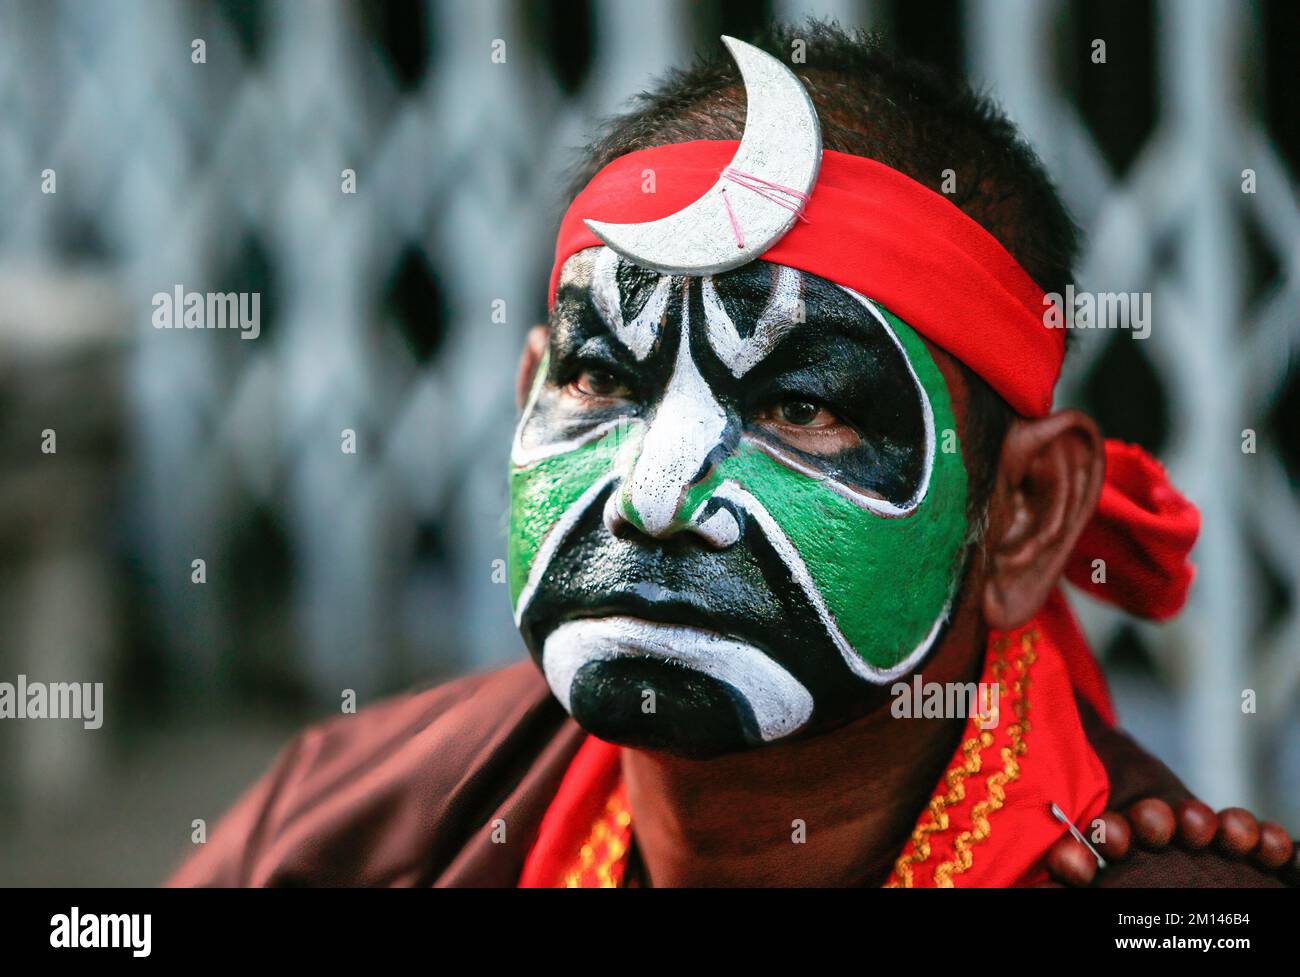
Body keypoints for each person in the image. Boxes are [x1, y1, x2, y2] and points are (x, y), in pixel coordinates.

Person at [167, 23, 1294, 888]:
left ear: (1024, 508)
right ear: (525, 397)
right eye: (601, 379)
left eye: (800, 406)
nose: (654, 497)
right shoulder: (354, 814)